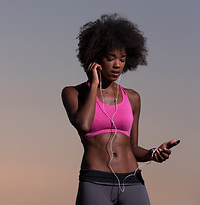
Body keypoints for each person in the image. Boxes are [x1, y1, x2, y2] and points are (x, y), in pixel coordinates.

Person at [61, 14, 178, 205]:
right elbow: (82, 125)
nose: (117, 65)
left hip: (133, 182)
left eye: (122, 59)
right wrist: (95, 83)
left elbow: (132, 148)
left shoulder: (132, 98)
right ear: (94, 57)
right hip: (94, 182)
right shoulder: (73, 93)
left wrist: (153, 153)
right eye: (110, 58)